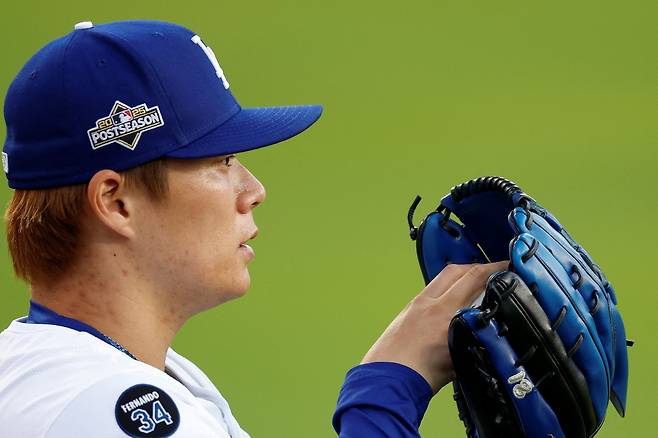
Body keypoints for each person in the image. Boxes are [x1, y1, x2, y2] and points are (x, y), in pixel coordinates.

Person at [0, 20, 506, 437]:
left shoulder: (73, 370)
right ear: (116, 202)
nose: (254, 190)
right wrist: (387, 389)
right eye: (220, 161)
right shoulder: (106, 407)